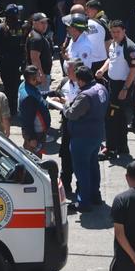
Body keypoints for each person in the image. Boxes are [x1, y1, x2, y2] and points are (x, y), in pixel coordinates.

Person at [63, 65, 108, 211]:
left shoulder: (85, 95)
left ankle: (84, 202)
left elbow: (72, 113)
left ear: (81, 81)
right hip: (97, 134)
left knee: (82, 170)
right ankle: (95, 196)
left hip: (83, 137)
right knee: (93, 166)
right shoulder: (101, 88)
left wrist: (65, 105)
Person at [98, 20, 135, 159]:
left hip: (122, 87)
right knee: (120, 118)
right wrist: (102, 70)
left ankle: (110, 148)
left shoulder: (130, 47)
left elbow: (134, 70)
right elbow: (111, 59)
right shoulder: (113, 44)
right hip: (112, 84)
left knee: (111, 118)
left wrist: (125, 88)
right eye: (113, 32)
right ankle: (122, 148)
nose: (115, 34)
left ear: (124, 31)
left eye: (118, 32)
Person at [49, 60, 82, 202]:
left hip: (80, 126)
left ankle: (81, 188)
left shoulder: (84, 84)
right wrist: (56, 99)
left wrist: (65, 102)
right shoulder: (64, 81)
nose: (67, 72)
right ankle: (66, 185)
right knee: (65, 156)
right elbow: (57, 92)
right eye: (67, 70)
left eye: (70, 70)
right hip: (66, 125)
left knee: (79, 158)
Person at [0, 4, 26, 115]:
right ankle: (12, 107)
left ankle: (12, 107)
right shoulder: (13, 27)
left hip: (7, 62)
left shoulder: (3, 28)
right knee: (13, 85)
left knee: (10, 86)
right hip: (13, 62)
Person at [18, 65, 50, 152]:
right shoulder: (29, 98)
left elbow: (38, 95)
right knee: (35, 158)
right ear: (33, 80)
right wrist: (32, 138)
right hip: (36, 133)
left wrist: (51, 93)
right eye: (39, 75)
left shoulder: (25, 85)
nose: (41, 76)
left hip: (36, 131)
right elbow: (27, 120)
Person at [26, 12, 53, 93]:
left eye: (46, 22)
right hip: (40, 75)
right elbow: (35, 59)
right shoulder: (37, 38)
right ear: (34, 23)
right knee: (42, 98)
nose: (45, 25)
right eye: (42, 22)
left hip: (39, 74)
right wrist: (41, 75)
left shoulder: (36, 34)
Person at [84, 0, 110, 73]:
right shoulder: (93, 20)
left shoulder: (102, 21)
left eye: (87, 11)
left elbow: (108, 39)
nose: (86, 13)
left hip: (102, 59)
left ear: (95, 10)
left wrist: (109, 57)